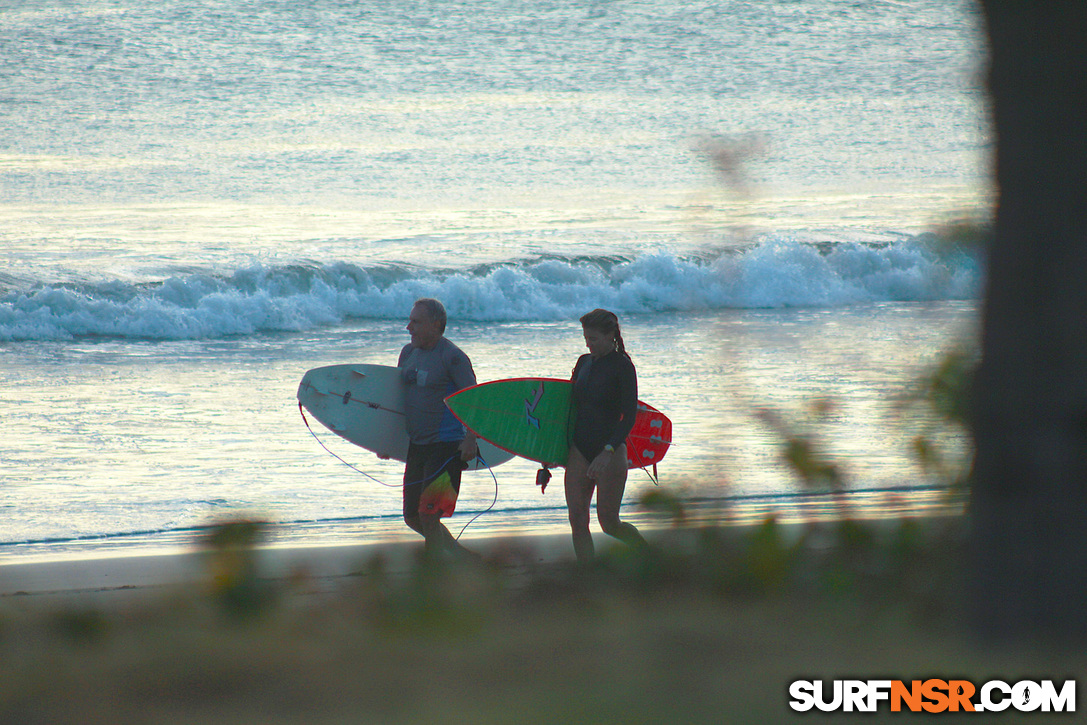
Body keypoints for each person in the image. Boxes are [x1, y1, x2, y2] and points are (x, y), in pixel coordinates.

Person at [564, 308, 649, 565]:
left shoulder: (623, 367)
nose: (588, 344)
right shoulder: (583, 363)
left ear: (610, 335)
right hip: (580, 449)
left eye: (594, 339)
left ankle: (649, 557)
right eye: (586, 339)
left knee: (609, 523)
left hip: (610, 452)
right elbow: (567, 411)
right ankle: (588, 574)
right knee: (577, 519)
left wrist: (608, 450)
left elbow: (629, 416)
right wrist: (548, 455)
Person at [397, 298, 479, 559]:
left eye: (416, 322)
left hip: (446, 446)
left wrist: (471, 439)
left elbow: (474, 401)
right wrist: (383, 440)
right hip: (417, 446)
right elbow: (399, 400)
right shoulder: (408, 353)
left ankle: (435, 571)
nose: (409, 327)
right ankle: (462, 557)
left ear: (436, 324)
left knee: (428, 514)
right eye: (410, 320)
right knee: (412, 516)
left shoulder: (453, 357)